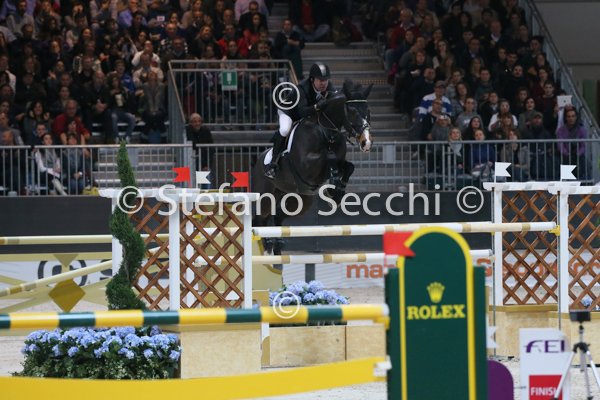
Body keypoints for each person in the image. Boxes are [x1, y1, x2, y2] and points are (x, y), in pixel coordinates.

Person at [264, 62, 335, 179]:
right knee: (285, 129)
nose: (323, 83)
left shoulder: (329, 87)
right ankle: (273, 163)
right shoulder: (302, 88)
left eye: (325, 80)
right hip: (289, 112)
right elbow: (301, 112)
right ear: (312, 79)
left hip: (308, 115)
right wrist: (317, 106)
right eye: (320, 80)